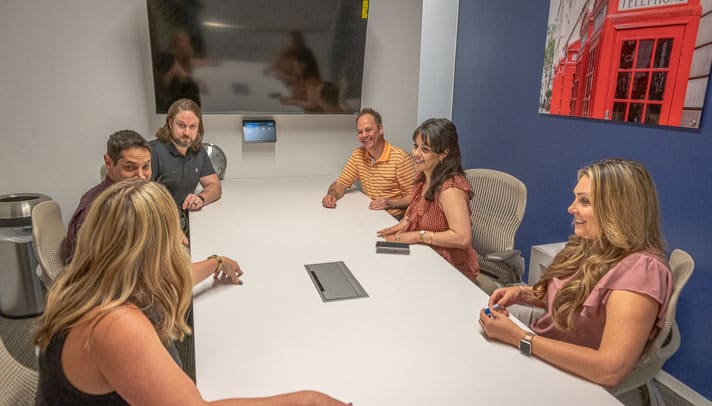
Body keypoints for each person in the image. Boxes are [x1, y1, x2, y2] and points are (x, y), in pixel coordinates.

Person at [35, 179, 349, 405]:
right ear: (159, 250)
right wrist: (308, 400)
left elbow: (178, 276)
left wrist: (216, 262)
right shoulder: (115, 325)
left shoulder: (93, 282)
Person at [479, 159, 672, 387]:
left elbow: (609, 370)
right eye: (576, 198)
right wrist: (523, 293)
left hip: (564, 370)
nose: (571, 208)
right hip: (543, 342)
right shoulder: (593, 243)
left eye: (584, 201)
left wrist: (519, 338)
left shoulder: (641, 271)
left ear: (617, 209)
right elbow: (575, 300)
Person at [65, 130, 241, 284]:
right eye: (130, 167)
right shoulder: (107, 212)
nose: (141, 176)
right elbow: (164, 281)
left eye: (146, 167)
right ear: (109, 163)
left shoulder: (120, 197)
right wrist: (217, 262)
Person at [377, 118, 479, 283]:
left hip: (451, 270)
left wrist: (418, 236)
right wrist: (403, 224)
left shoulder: (450, 189)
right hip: (425, 259)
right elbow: (416, 212)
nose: (416, 153)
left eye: (425, 149)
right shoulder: (423, 178)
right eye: (416, 146)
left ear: (443, 154)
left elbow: (462, 237)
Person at [322, 108, 416, 218]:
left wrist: (389, 203)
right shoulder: (358, 155)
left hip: (394, 220)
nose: (364, 135)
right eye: (360, 132)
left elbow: (415, 198)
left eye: (368, 130)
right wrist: (331, 195)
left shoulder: (401, 158)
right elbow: (341, 183)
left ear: (380, 129)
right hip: (370, 215)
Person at [151, 98, 221, 211]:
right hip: (160, 221)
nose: (187, 133)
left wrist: (201, 198)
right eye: (181, 125)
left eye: (192, 126)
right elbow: (141, 198)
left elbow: (215, 186)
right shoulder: (152, 152)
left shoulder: (198, 151)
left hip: (186, 217)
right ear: (170, 123)